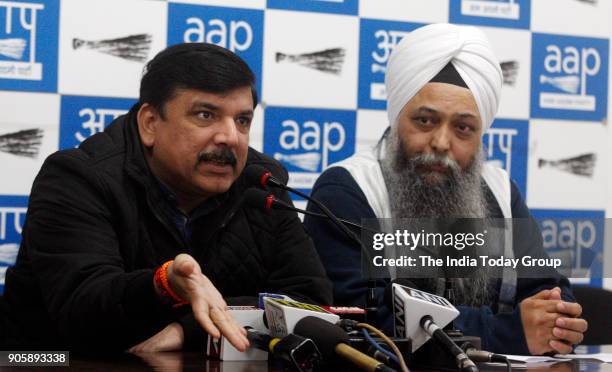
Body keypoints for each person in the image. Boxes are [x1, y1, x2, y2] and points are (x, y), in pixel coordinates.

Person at [1, 43, 332, 353]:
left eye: (242, 120)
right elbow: (82, 311)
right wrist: (163, 285)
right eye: (206, 115)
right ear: (149, 123)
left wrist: (187, 329)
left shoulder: (260, 185)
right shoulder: (79, 178)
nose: (230, 137)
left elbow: (309, 301)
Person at [304, 23, 587, 355]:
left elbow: (547, 289)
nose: (440, 143)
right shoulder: (347, 191)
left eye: (462, 128)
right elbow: (363, 322)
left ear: (481, 135)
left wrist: (557, 319)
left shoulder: (499, 192)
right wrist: (506, 331)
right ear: (397, 118)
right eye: (425, 121)